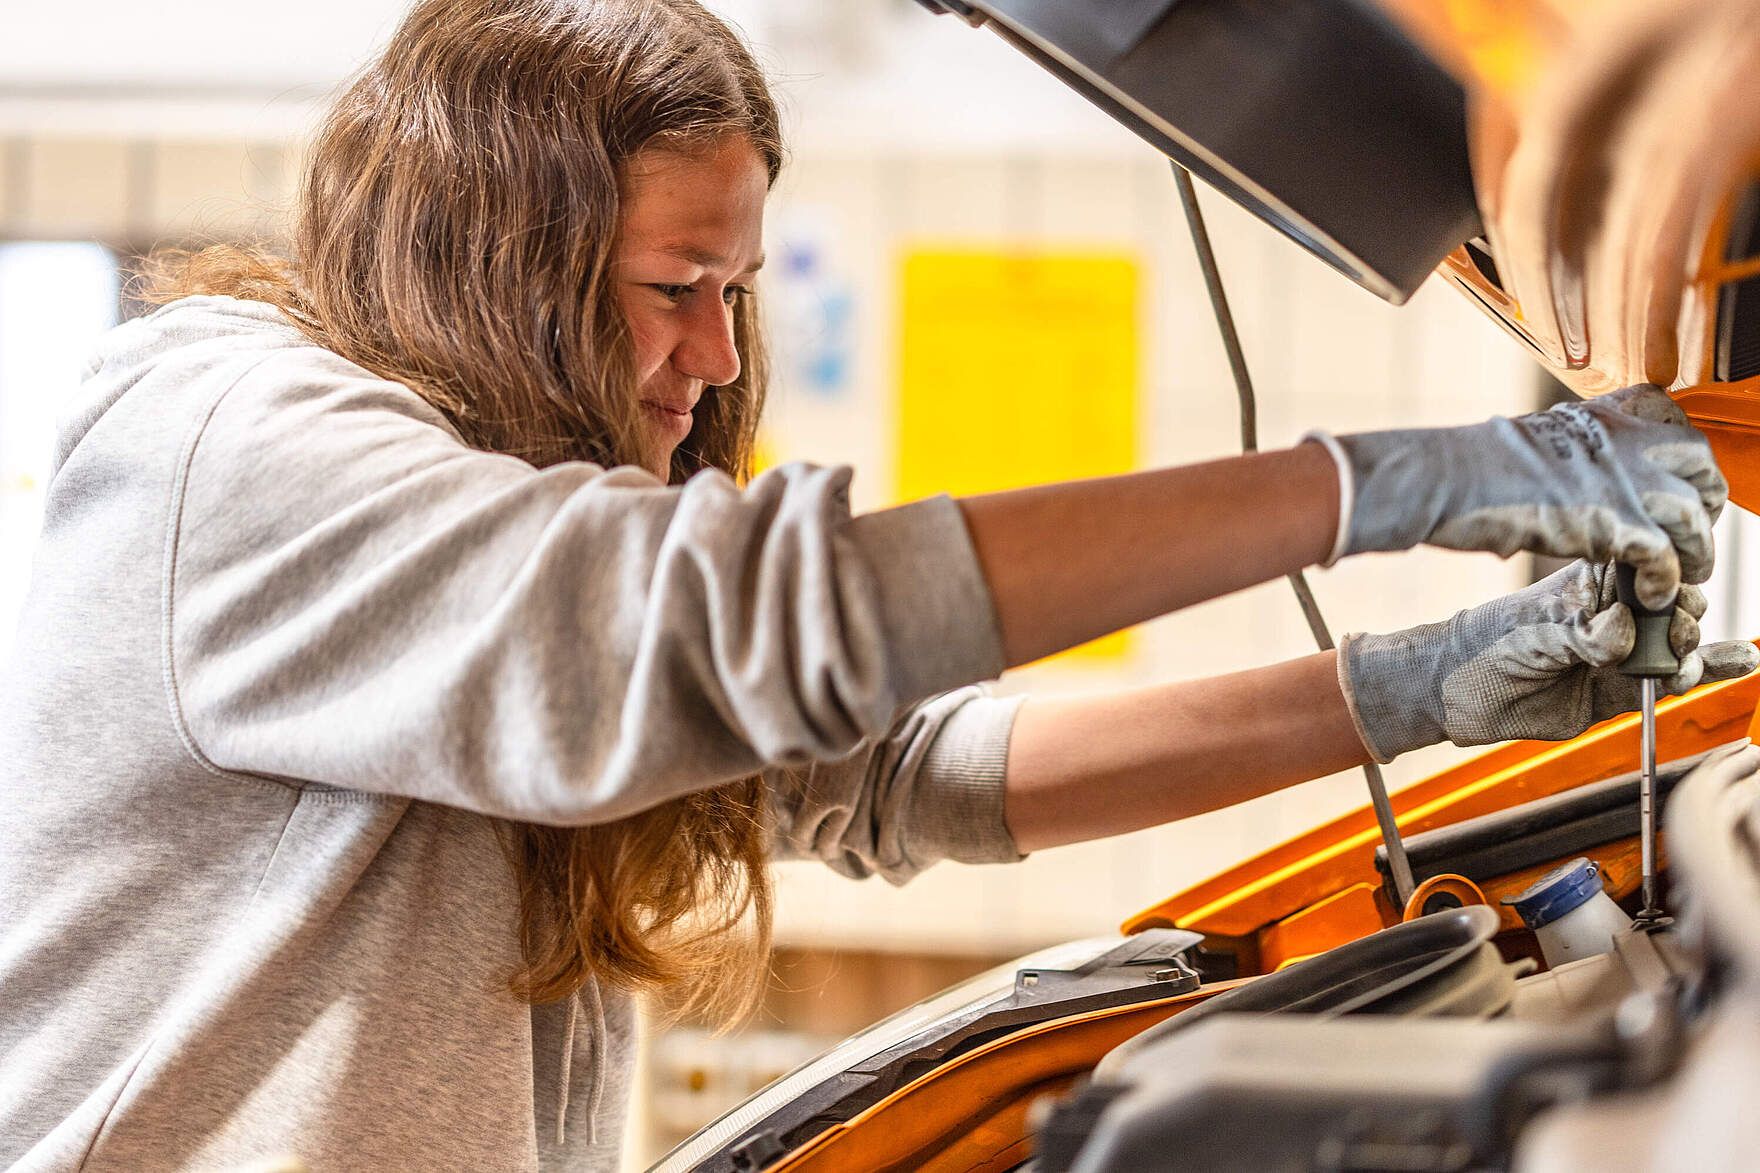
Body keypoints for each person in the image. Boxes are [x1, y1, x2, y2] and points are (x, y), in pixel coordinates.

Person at [0, 0, 1751, 1169]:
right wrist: (1384, 486)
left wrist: (1422, 683)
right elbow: (691, 628)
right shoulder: (221, 436)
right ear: (492, 261)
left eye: (739, 287)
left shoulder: (499, 522)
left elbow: (900, 772)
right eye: (675, 280)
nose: (712, 349)